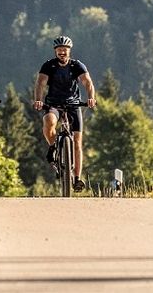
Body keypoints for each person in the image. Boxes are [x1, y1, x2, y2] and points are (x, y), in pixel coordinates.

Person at [32, 35, 96, 192]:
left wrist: (91, 98)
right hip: (54, 103)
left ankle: (77, 178)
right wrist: (38, 100)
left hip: (73, 105)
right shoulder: (49, 66)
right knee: (49, 121)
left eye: (65, 49)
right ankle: (53, 146)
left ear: (69, 50)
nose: (62, 52)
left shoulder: (77, 65)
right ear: (55, 51)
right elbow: (40, 83)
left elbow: (87, 82)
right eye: (59, 50)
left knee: (77, 142)